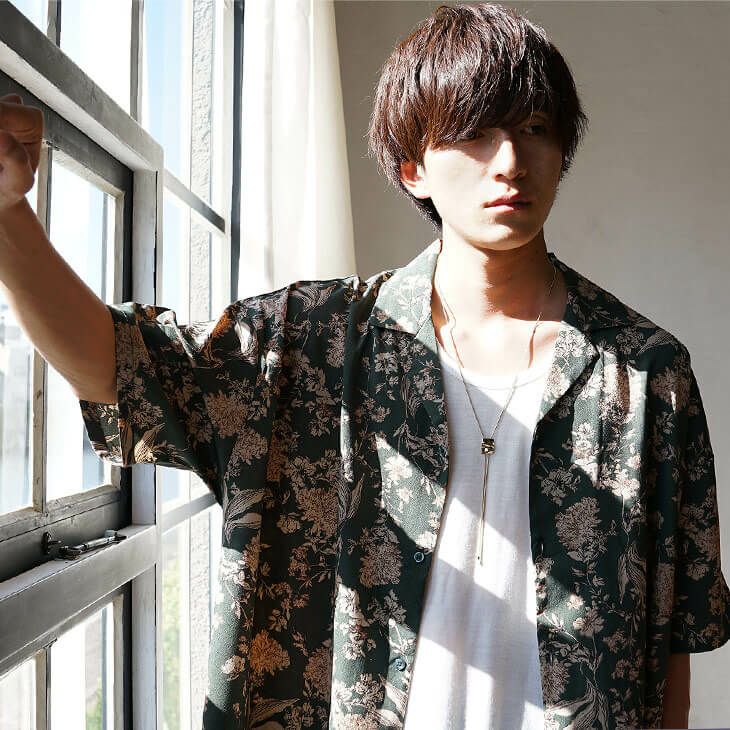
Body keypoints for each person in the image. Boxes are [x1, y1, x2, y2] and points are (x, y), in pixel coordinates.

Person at [0, 3, 728, 729]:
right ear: (413, 168)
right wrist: (8, 212)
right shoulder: (310, 343)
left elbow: (672, 646)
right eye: (475, 132)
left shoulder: (646, 374)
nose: (510, 161)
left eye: (535, 128)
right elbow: (119, 367)